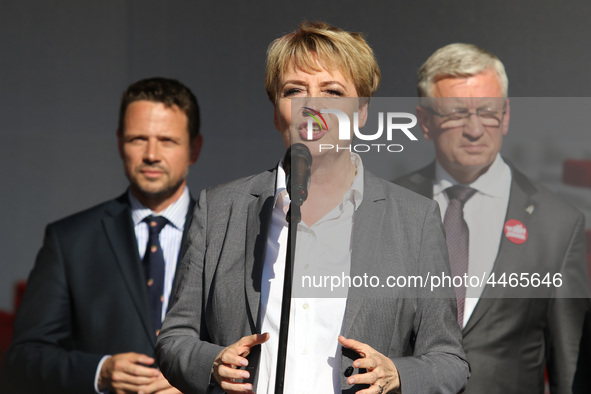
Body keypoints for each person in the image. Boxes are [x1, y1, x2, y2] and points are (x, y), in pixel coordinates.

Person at [156, 22, 469, 394]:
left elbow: (449, 361)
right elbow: (175, 336)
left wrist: (397, 374)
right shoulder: (220, 208)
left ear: (362, 112)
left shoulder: (414, 220)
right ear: (276, 111)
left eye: (333, 92)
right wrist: (210, 363)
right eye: (294, 91)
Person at [395, 43, 591, 393]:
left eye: (487, 111)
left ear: (506, 115)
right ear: (425, 121)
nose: (475, 129)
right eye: (455, 113)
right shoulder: (387, 206)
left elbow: (570, 364)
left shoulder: (558, 224)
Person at [5, 77, 203, 393]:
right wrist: (99, 372)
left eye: (167, 140)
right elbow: (23, 359)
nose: (151, 154)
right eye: (138, 139)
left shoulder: (228, 235)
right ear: (119, 141)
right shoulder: (70, 240)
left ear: (194, 148)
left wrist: (197, 381)